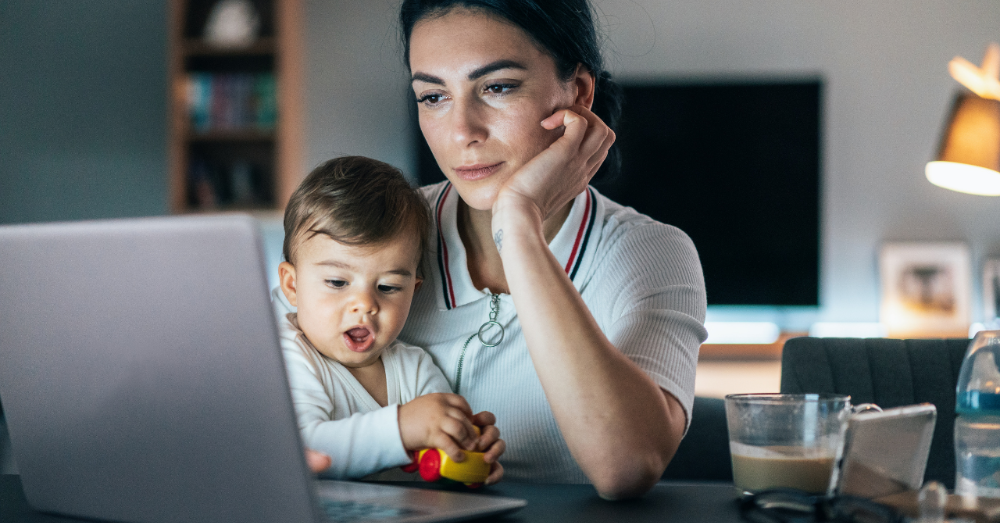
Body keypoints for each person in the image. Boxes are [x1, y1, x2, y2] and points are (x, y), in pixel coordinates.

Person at [395, 0, 707, 499]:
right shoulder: (380, 228)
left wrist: (519, 224)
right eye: (433, 96)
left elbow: (627, 466)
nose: (461, 132)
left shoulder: (651, 252)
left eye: (496, 87)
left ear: (578, 93)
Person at [275, 156, 504, 482]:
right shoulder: (287, 355)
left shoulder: (415, 368)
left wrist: (466, 450)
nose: (365, 305)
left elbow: (435, 449)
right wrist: (404, 427)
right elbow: (305, 450)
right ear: (292, 286)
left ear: (414, 290)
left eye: (388, 287)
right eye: (338, 283)